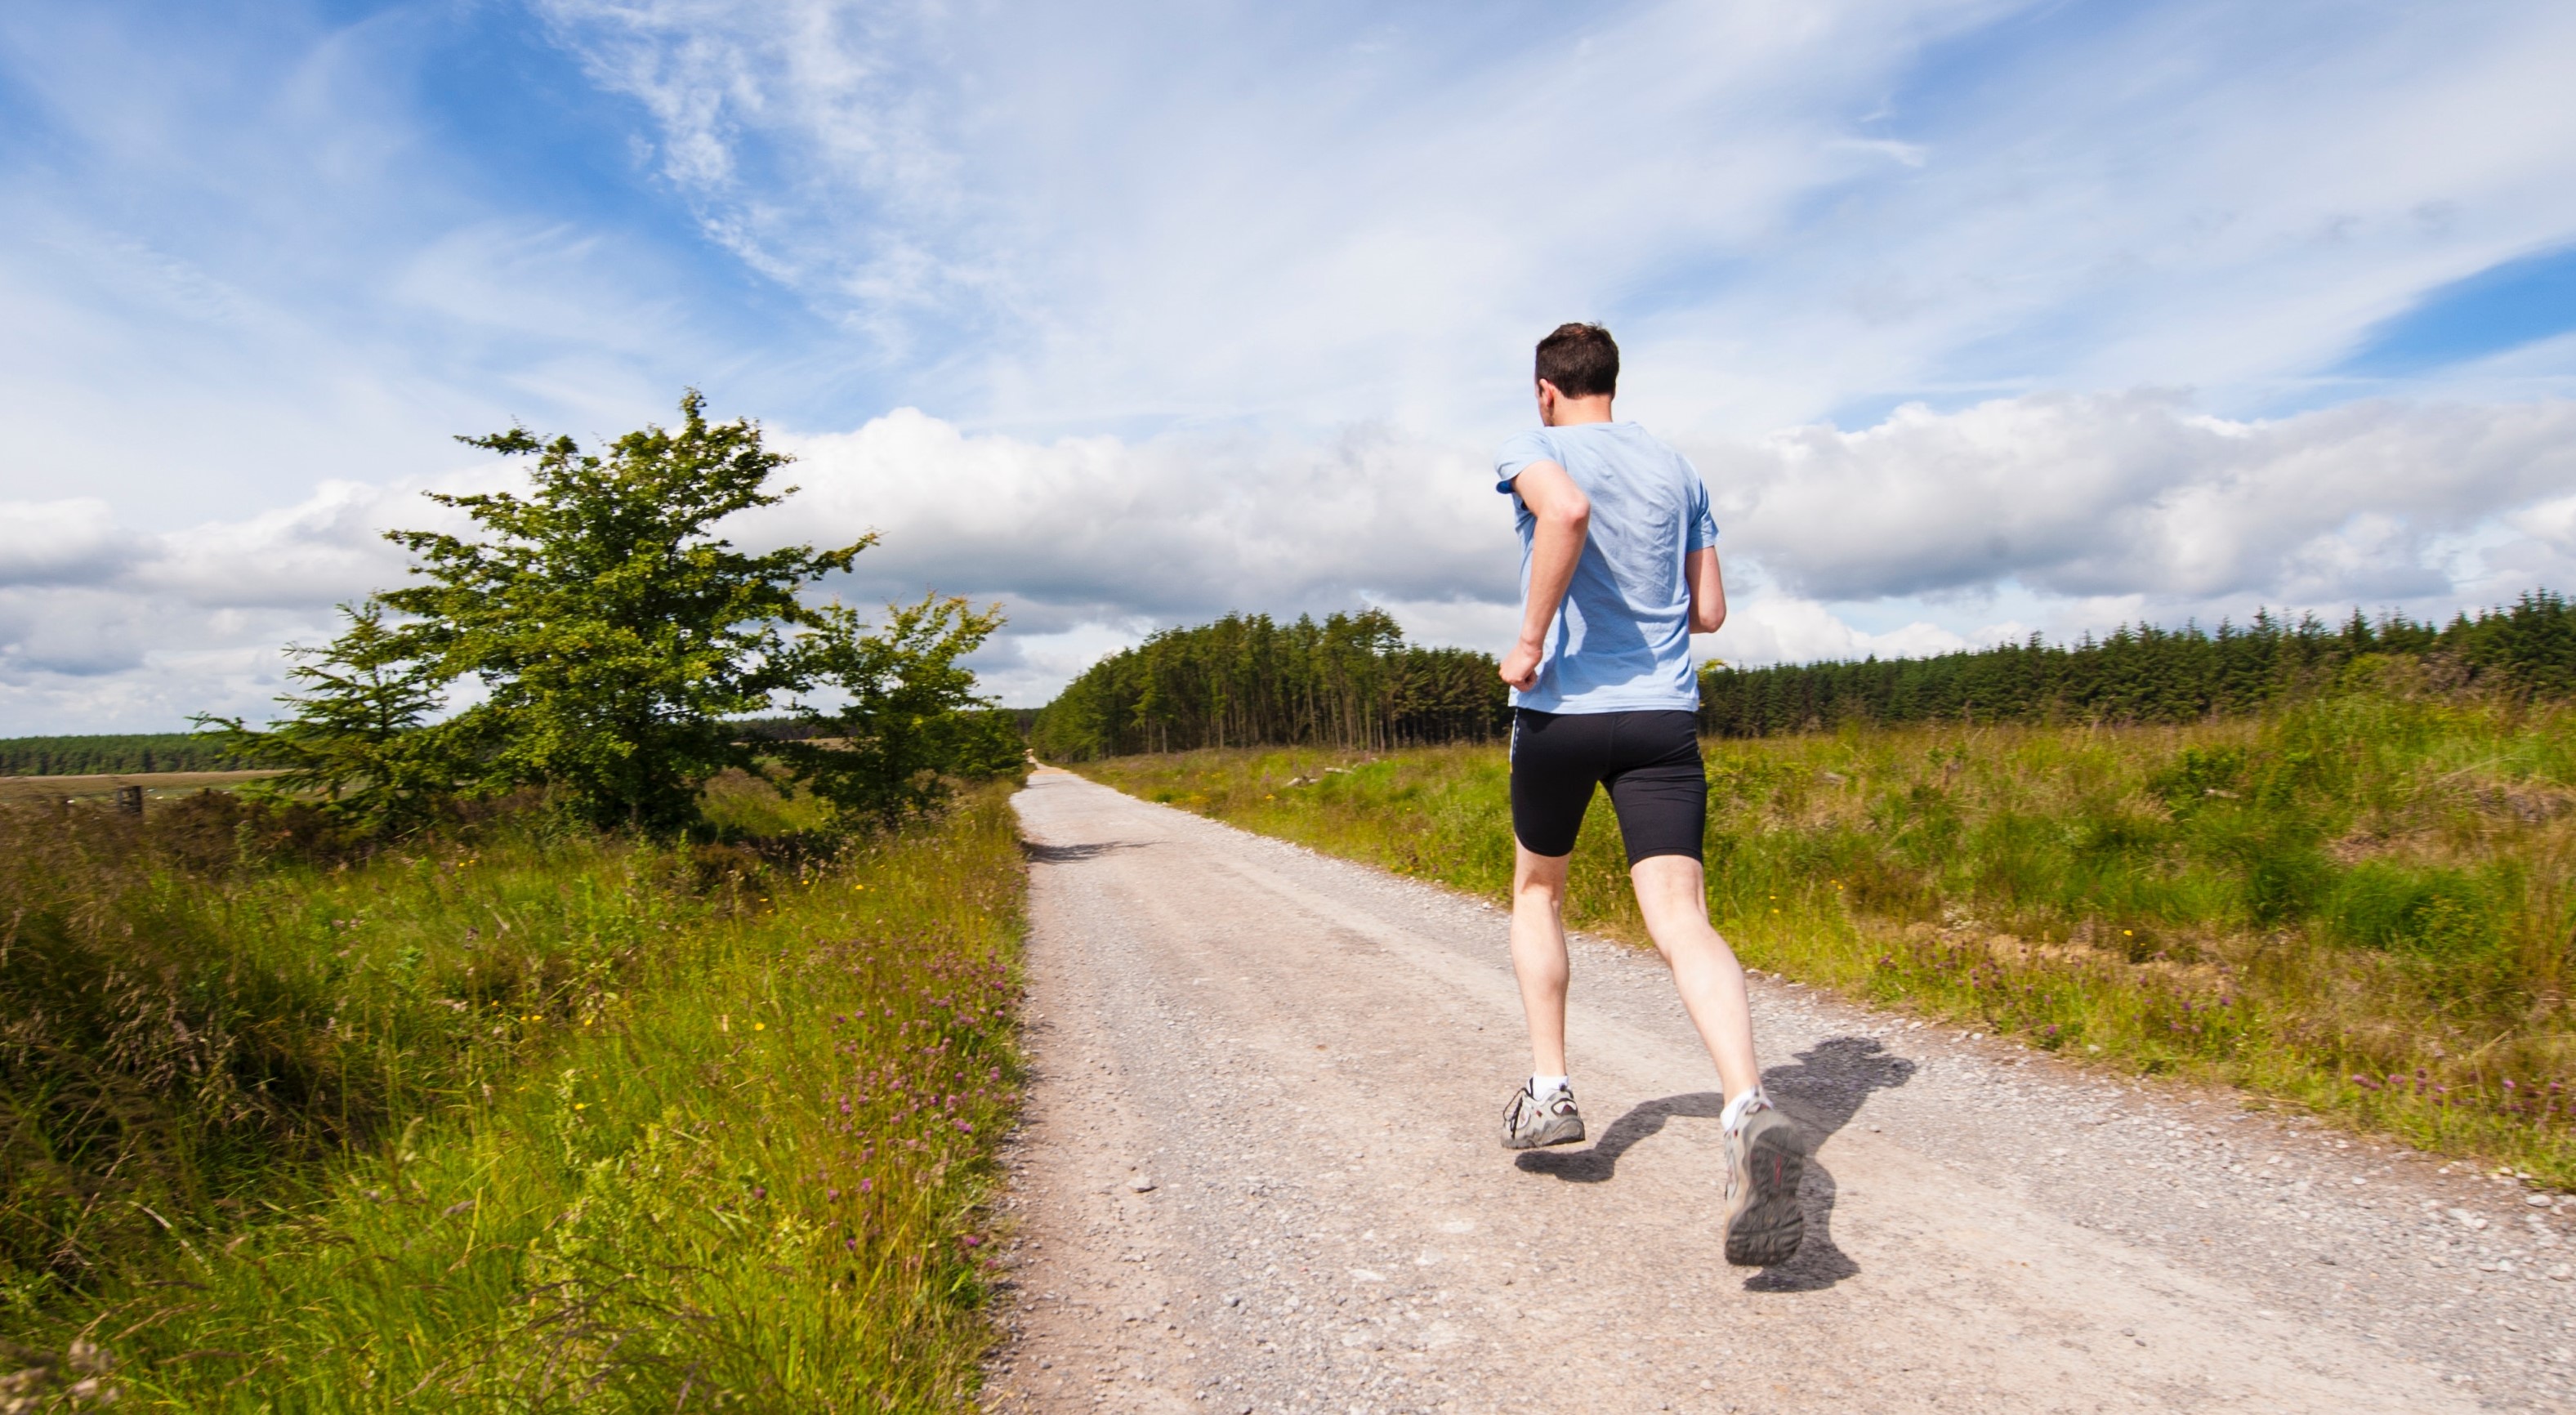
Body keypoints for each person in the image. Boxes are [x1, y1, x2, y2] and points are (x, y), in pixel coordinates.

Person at [1489, 322, 1807, 1267]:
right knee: (1681, 916)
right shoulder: (1678, 468)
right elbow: (1708, 610)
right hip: (1664, 717)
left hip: (1562, 713)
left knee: (1539, 889)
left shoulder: (1534, 448)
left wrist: (1532, 639)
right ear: (1611, 384)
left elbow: (1567, 513)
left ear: (1546, 390)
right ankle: (1748, 1102)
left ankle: (1551, 1092)